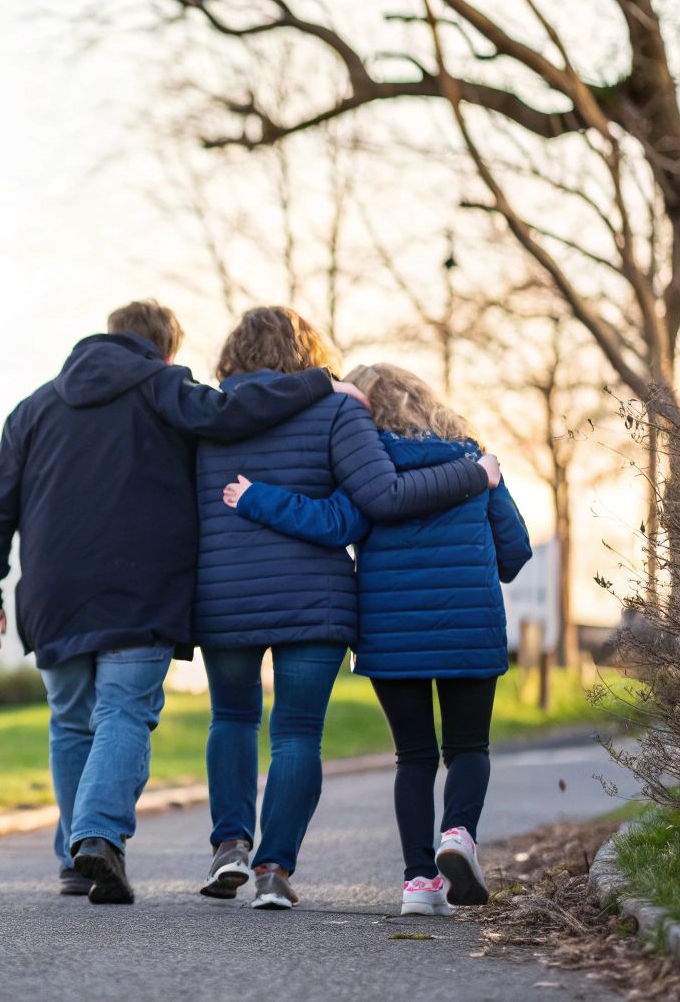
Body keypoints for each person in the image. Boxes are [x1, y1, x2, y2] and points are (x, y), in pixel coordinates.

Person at [0, 300, 365, 904]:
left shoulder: (33, 409)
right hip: (139, 590)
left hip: (54, 595)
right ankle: (98, 838)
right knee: (123, 712)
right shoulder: (163, 387)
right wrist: (321, 382)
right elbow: (231, 413)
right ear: (168, 350)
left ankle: (79, 854)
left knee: (72, 721)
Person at [190, 307, 501, 911]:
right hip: (315, 599)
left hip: (224, 594)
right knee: (297, 733)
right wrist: (473, 474)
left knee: (230, 718)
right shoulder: (337, 411)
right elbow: (375, 500)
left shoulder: (204, 418)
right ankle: (274, 871)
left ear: (234, 354)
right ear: (308, 355)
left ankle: (229, 844)